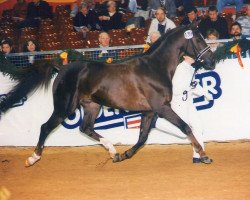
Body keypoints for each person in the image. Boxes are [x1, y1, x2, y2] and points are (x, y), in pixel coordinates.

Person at [153, 56, 213, 163]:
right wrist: (189, 87)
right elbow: (175, 90)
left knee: (198, 126)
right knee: (182, 134)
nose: (194, 57)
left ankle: (198, 156)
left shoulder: (190, 68)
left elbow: (193, 85)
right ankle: (156, 122)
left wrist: (205, 93)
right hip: (179, 103)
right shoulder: (180, 69)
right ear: (185, 56)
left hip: (188, 102)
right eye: (191, 55)